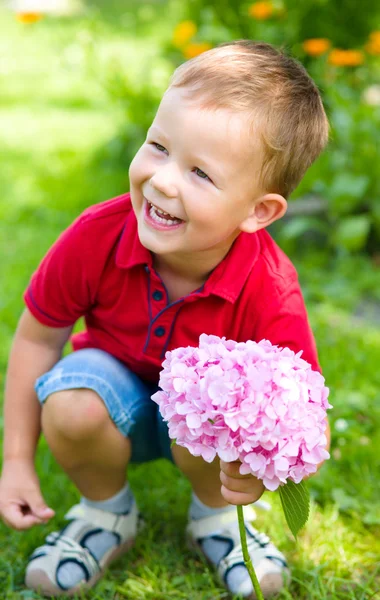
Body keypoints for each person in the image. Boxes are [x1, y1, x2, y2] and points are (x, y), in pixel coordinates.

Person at [0, 40, 330, 598]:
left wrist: (252, 470)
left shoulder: (269, 287)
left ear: (258, 211)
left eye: (201, 173)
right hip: (112, 396)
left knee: (227, 409)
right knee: (70, 401)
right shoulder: (96, 236)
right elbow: (38, 336)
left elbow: (302, 416)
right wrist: (15, 459)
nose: (163, 181)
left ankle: (216, 519)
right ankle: (105, 514)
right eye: (158, 146)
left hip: (199, 432)